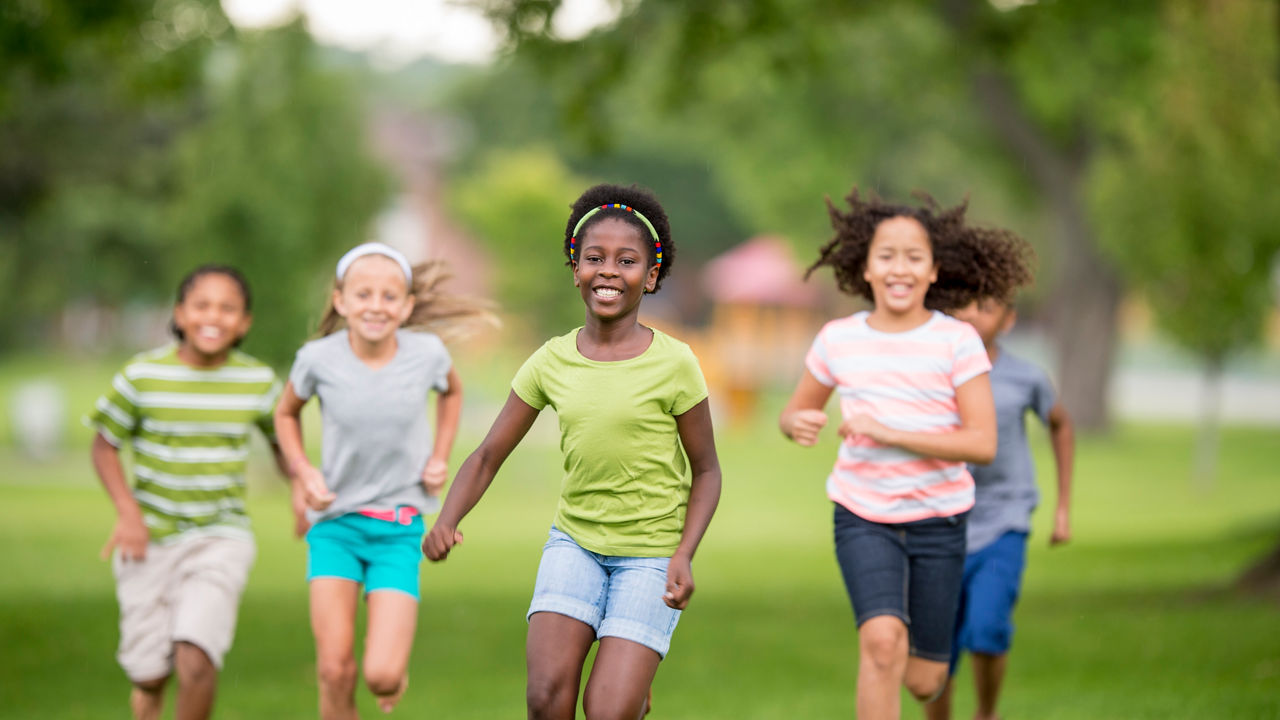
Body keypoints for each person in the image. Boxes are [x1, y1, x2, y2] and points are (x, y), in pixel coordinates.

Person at [422, 183, 722, 720]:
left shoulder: (675, 363)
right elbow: (489, 453)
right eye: (594, 258)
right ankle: (627, 680)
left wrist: (684, 554)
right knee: (544, 700)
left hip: (650, 555)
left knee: (607, 711)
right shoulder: (551, 360)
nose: (609, 270)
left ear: (650, 276)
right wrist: (448, 517)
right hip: (575, 545)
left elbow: (706, 470)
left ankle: (628, 684)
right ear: (575, 268)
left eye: (627, 260)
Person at [778, 189, 1034, 720]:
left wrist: (890, 432)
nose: (900, 268)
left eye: (913, 257)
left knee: (925, 680)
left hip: (938, 521)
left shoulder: (957, 342)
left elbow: (981, 443)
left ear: (934, 270)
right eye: (886, 256)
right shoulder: (838, 339)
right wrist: (794, 423)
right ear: (865, 268)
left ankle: (930, 668)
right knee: (881, 645)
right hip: (862, 515)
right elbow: (795, 411)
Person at [274, 243, 493, 719]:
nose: (376, 305)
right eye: (364, 294)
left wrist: (440, 455)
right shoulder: (316, 358)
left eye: (389, 296)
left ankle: (392, 672)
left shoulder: (427, 354)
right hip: (334, 524)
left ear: (407, 306)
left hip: (397, 529)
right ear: (341, 300)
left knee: (381, 676)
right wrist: (302, 469)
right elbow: (286, 413)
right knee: (334, 671)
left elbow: (452, 392)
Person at [87, 264, 301, 720]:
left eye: (228, 308)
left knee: (196, 655)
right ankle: (146, 695)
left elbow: (285, 442)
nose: (214, 317)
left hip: (220, 538)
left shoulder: (257, 381)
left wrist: (301, 487)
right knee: (149, 673)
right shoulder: (142, 375)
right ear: (180, 314)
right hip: (149, 538)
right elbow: (104, 444)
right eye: (202, 305)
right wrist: (128, 514)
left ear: (245, 323)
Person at [923, 297, 1075, 720]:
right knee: (937, 646)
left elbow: (1061, 425)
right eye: (963, 305)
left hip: (1005, 519)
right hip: (939, 521)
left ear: (1009, 320)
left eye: (986, 307)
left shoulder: (1026, 377)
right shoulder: (931, 371)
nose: (972, 314)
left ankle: (986, 713)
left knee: (988, 627)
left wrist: (1062, 508)